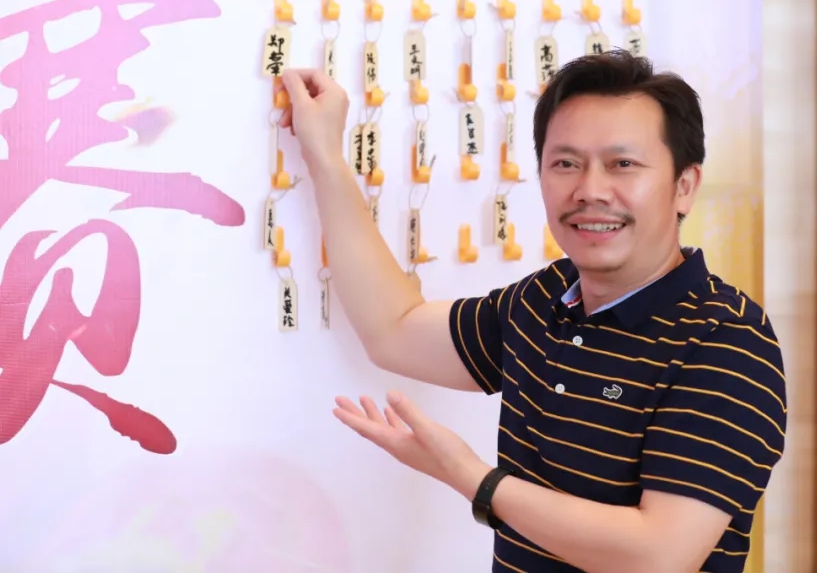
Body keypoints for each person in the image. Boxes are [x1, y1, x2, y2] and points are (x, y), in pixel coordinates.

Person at [279, 50, 787, 573]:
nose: (590, 190)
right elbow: (394, 330)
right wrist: (325, 155)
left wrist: (472, 478)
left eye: (623, 165)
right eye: (566, 163)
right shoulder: (545, 299)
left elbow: (657, 556)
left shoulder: (727, 341)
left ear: (684, 186)